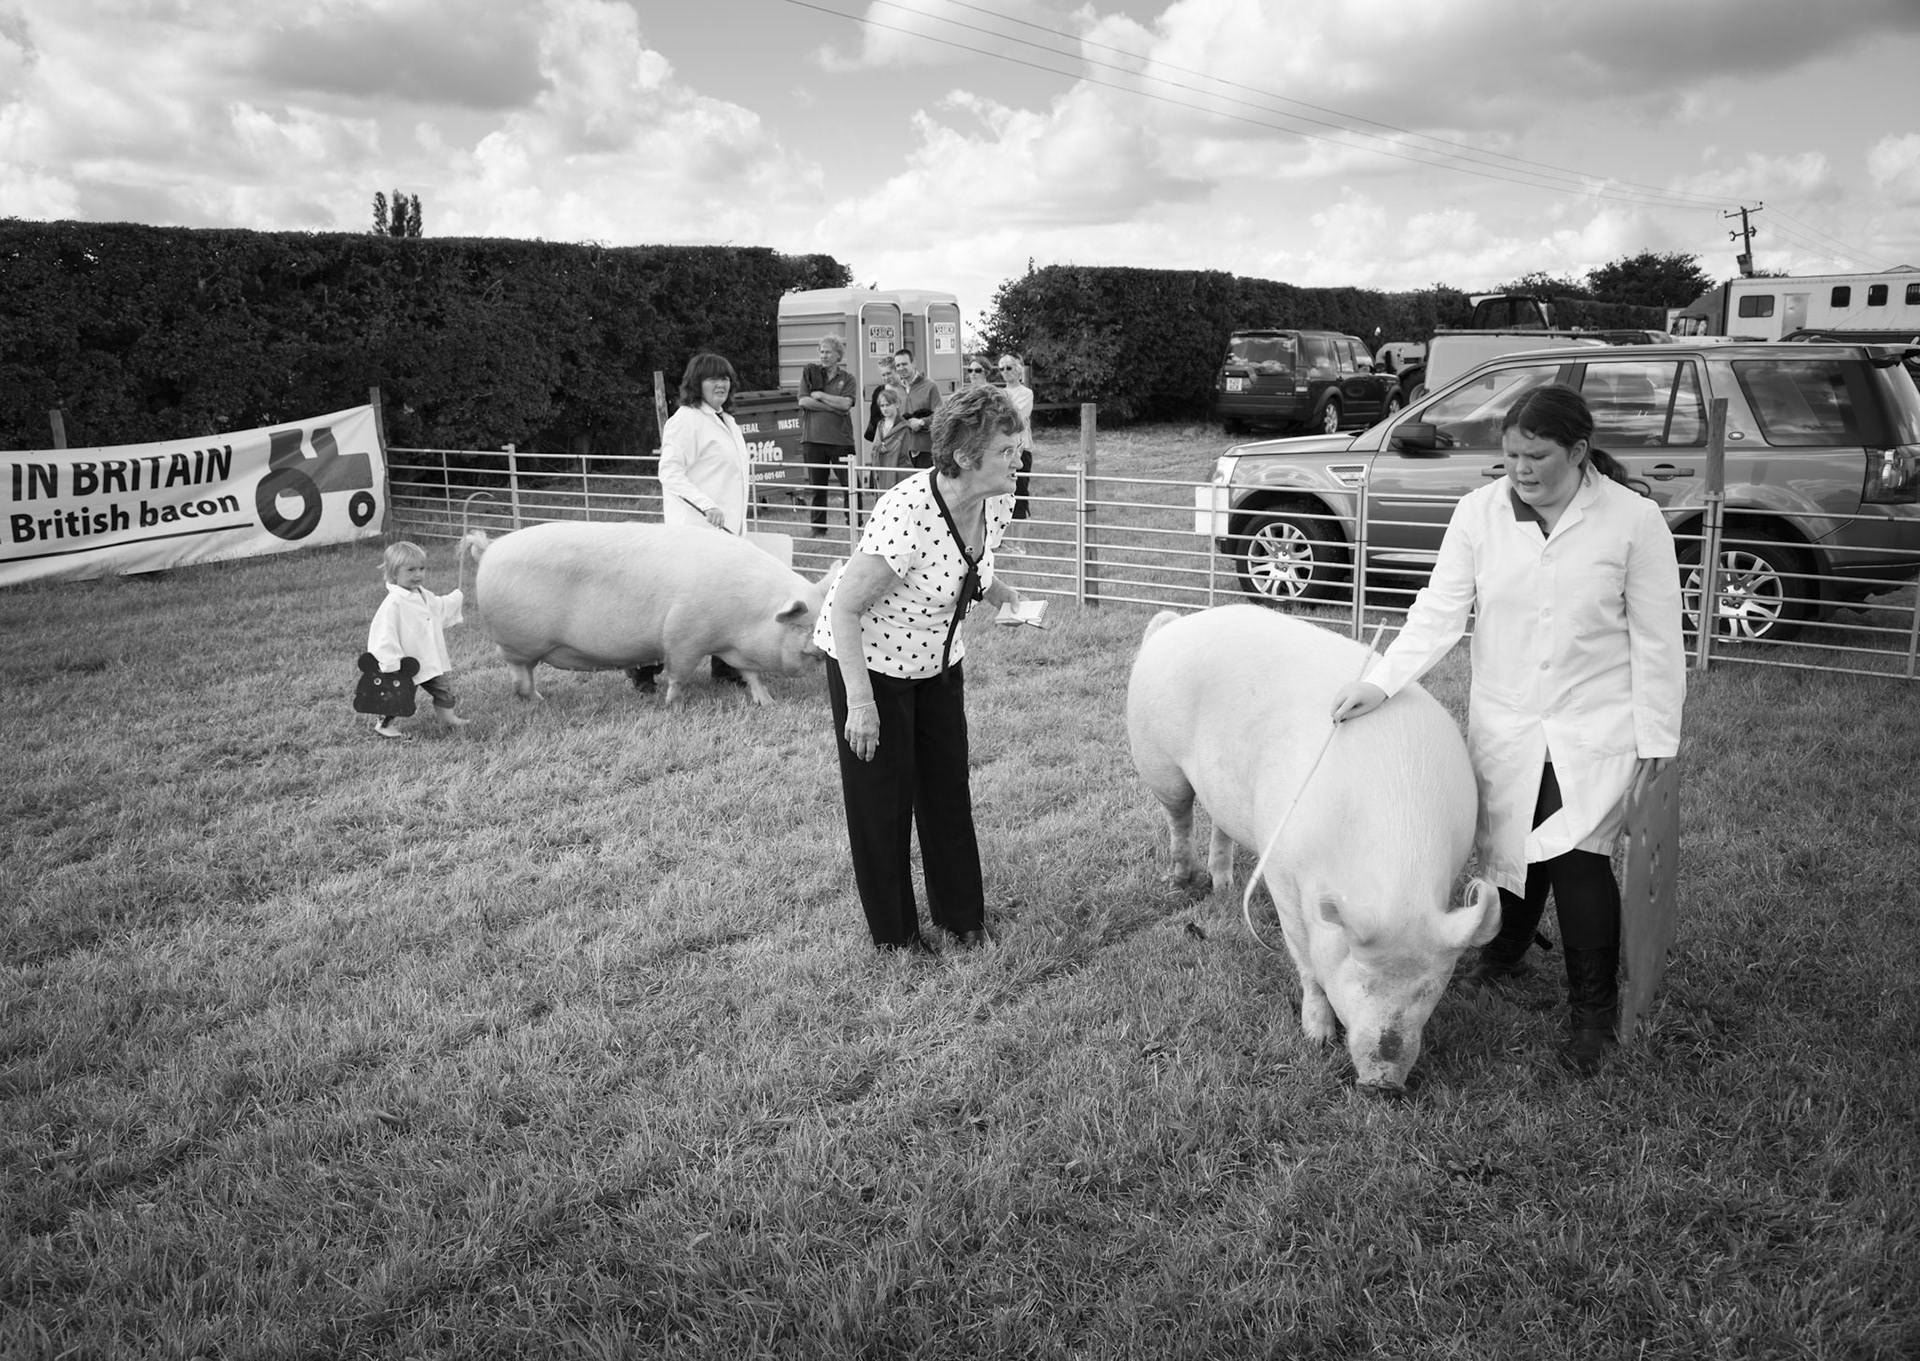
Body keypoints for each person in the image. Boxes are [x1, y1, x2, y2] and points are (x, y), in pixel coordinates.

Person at [1328, 384, 1684, 1074]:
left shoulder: (1634, 521)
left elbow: (1658, 641)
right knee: (1512, 844)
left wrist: (1658, 743)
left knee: (1579, 857)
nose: (1520, 468)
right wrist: (1380, 680)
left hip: (1596, 722)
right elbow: (1438, 612)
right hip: (1509, 716)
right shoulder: (1478, 514)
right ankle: (1507, 950)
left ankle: (1592, 1015)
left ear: (1579, 453)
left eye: (1537, 455)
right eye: (1511, 453)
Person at [818, 383, 1032, 954]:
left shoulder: (997, 500)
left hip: (938, 661)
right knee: (883, 803)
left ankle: (963, 920)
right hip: (872, 664)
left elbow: (971, 567)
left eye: (1018, 448)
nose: (1019, 460)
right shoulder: (907, 513)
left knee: (946, 792)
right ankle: (896, 937)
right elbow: (844, 606)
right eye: (1006, 452)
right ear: (964, 457)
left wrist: (1005, 597)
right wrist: (861, 705)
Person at [645, 351, 751, 689]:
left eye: (725, 378)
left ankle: (725, 666)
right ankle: (643, 668)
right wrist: (706, 505)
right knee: (682, 607)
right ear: (696, 383)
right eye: (712, 378)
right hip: (696, 530)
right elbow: (670, 472)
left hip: (729, 531)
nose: (721, 383)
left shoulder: (727, 421)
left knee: (725, 600)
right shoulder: (686, 420)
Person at [366, 540, 469, 739]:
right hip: (406, 663)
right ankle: (384, 725)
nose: (418, 574)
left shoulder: (423, 594)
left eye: (422, 569)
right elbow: (383, 634)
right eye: (411, 570)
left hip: (428, 659)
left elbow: (437, 608)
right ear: (394, 573)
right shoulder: (394, 603)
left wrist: (454, 599)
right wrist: (390, 662)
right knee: (400, 696)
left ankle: (449, 719)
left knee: (443, 690)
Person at [798, 334, 858, 536]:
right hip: (813, 440)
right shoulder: (810, 373)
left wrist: (821, 396)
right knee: (817, 488)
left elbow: (846, 404)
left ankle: (856, 525)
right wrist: (834, 406)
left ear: (838, 355)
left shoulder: (848, 378)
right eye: (821, 352)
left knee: (851, 486)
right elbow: (804, 401)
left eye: (828, 352)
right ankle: (818, 528)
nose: (823, 356)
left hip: (841, 441)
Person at [996, 355, 1036, 531]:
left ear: (1018, 370)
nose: (1005, 372)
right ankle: (1004, 538)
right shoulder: (999, 394)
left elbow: (1016, 417)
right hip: (1002, 449)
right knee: (1002, 494)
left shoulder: (1026, 393)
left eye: (1009, 368)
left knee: (1020, 492)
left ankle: (1020, 542)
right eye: (1001, 369)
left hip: (1021, 449)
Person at [892, 347, 940, 471]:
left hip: (925, 449)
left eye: (904, 364)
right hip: (901, 449)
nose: (901, 368)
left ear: (914, 363)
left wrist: (921, 422)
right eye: (898, 365)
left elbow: (940, 414)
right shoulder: (894, 389)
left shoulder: (930, 386)